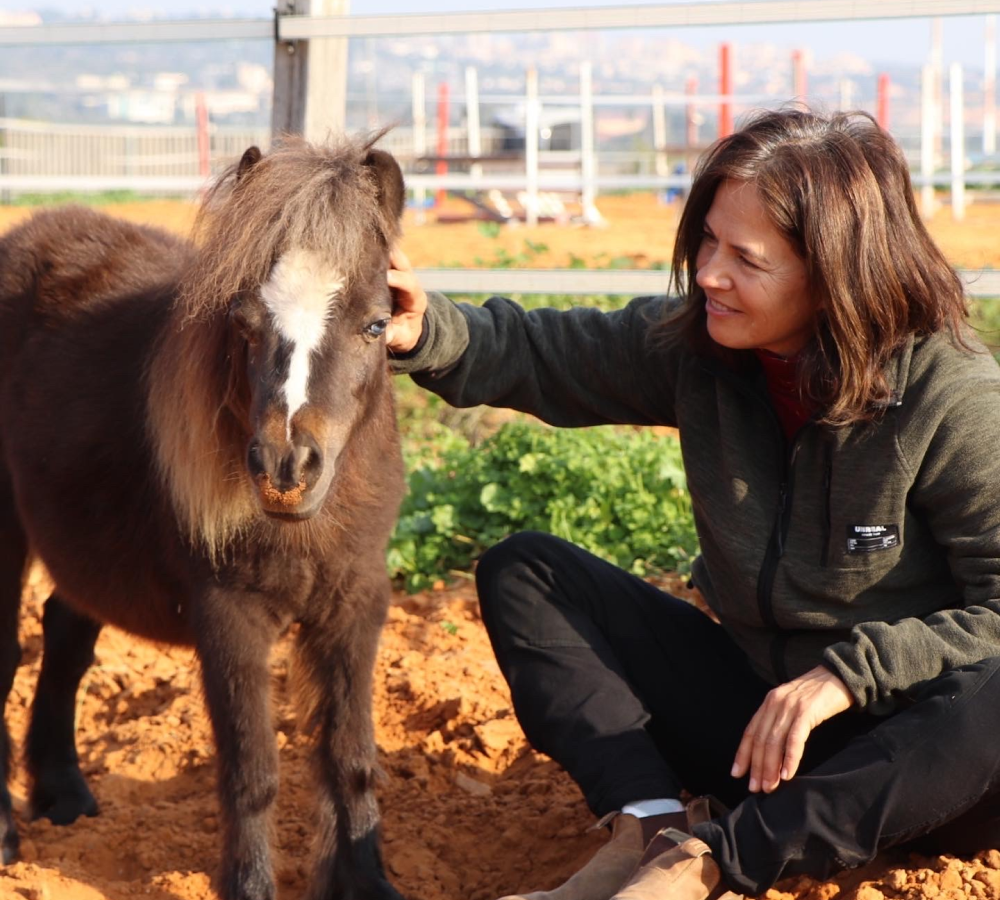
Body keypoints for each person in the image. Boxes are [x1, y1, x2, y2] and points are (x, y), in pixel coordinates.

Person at [384, 108, 1000, 900]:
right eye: (708, 240)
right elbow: (548, 352)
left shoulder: (951, 395)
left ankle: (709, 863)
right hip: (763, 742)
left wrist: (849, 676)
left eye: (745, 258)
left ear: (836, 272)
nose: (708, 273)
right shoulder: (703, 353)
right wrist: (426, 330)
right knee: (528, 572)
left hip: (923, 763)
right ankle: (650, 826)